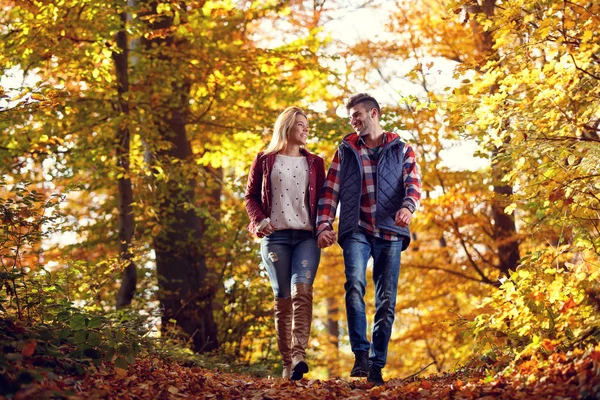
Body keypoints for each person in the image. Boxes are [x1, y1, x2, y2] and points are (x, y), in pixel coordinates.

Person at [316, 93, 421, 386]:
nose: (354, 121)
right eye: (351, 117)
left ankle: (377, 364)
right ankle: (360, 354)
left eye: (357, 115)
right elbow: (330, 192)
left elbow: (413, 185)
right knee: (354, 284)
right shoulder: (346, 150)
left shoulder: (402, 149)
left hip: (390, 230)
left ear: (373, 113)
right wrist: (324, 224)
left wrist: (407, 207)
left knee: (386, 300)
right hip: (356, 229)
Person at [244, 106, 326, 380]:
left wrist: (326, 226)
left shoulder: (315, 163)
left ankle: (299, 355)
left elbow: (325, 203)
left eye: (307, 125)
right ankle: (287, 363)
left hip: (306, 237)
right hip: (275, 237)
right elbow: (250, 197)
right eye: (301, 124)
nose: (306, 129)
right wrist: (259, 220)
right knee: (283, 298)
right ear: (287, 126)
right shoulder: (265, 159)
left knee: (302, 292)